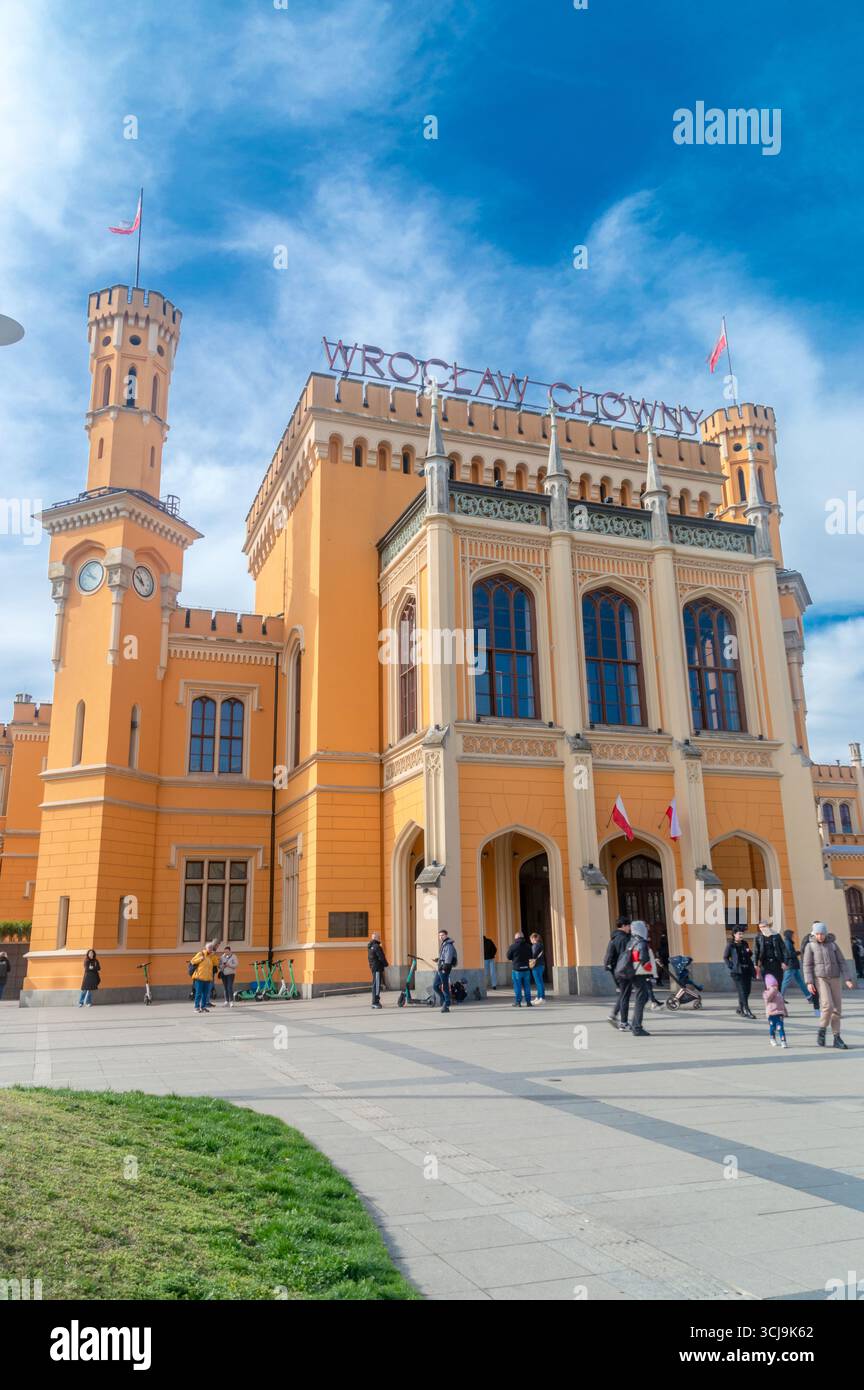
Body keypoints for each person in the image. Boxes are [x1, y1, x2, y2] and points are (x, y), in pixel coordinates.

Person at [802, 921, 855, 1049]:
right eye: (818, 934)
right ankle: (822, 1030)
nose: (820, 936)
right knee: (828, 1005)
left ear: (826, 934)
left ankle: (837, 1037)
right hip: (820, 979)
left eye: (822, 934)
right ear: (814, 934)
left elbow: (842, 961)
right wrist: (809, 982)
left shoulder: (833, 945)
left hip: (835, 978)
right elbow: (807, 965)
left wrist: (847, 978)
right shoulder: (810, 946)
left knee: (837, 1009)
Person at [622, 920, 653, 1037]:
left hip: (632, 973)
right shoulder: (642, 942)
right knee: (641, 998)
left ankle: (635, 1024)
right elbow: (643, 959)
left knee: (642, 998)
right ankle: (637, 1027)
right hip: (640, 974)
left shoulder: (631, 941)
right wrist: (651, 970)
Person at [780, 929, 818, 1009]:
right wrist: (798, 952)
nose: (793, 936)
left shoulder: (789, 942)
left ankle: (809, 996)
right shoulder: (787, 942)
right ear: (789, 935)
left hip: (794, 965)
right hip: (791, 965)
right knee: (785, 982)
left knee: (800, 982)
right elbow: (789, 954)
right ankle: (780, 997)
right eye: (792, 934)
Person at [605, 916, 631, 1027]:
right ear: (624, 926)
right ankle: (623, 1022)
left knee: (623, 993)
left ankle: (614, 1015)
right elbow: (625, 956)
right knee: (625, 995)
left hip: (615, 969)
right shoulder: (624, 939)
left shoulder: (614, 937)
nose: (630, 928)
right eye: (629, 926)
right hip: (623, 970)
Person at [723, 928, 756, 1018]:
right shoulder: (731, 945)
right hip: (737, 972)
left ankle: (740, 1008)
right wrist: (731, 966)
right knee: (742, 991)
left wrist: (749, 952)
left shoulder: (745, 943)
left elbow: (748, 955)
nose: (741, 935)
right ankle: (747, 1010)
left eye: (742, 934)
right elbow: (725, 957)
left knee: (747, 991)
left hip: (747, 970)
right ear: (734, 935)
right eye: (739, 934)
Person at [190, 942, 220, 1013]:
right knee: (198, 993)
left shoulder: (211, 957)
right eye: (209, 948)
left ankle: (203, 1007)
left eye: (211, 948)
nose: (210, 949)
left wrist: (214, 956)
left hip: (207, 978)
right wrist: (200, 959)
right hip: (199, 977)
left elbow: (216, 964)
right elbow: (192, 961)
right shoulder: (201, 954)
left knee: (205, 994)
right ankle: (196, 1007)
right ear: (206, 948)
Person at [506, 931, 534, 1008]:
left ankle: (518, 1003)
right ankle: (528, 1002)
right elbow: (531, 956)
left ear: (516, 938)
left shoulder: (513, 946)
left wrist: (514, 958)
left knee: (517, 986)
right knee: (527, 986)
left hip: (517, 970)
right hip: (526, 969)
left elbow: (508, 956)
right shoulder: (528, 946)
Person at [433, 928, 457, 1014]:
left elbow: (448, 957)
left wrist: (445, 968)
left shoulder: (449, 945)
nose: (441, 937)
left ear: (446, 935)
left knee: (445, 987)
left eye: (442, 935)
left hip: (444, 969)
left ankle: (446, 1004)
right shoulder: (444, 944)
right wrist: (438, 959)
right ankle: (444, 999)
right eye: (439, 935)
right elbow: (444, 956)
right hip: (440, 967)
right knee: (435, 986)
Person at [763, 973, 788, 1049]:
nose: (775, 987)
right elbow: (768, 999)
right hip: (771, 1014)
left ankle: (783, 1041)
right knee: (772, 1028)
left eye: (776, 985)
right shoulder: (766, 993)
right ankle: (772, 1038)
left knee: (781, 1028)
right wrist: (772, 991)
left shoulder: (779, 993)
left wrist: (785, 1011)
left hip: (779, 1013)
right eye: (773, 985)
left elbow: (782, 1002)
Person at [368, 933, 388, 1010]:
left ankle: (375, 1001)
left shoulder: (370, 946)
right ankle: (375, 1002)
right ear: (376, 938)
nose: (380, 938)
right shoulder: (377, 947)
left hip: (374, 968)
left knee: (375, 984)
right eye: (379, 937)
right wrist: (386, 964)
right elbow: (381, 957)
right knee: (376, 986)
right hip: (377, 968)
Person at [528, 932, 546, 1003]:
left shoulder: (535, 945)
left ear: (534, 938)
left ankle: (541, 998)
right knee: (539, 981)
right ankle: (539, 997)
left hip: (537, 965)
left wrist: (529, 957)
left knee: (538, 982)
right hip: (541, 965)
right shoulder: (540, 944)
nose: (530, 941)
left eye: (531, 939)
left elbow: (533, 955)